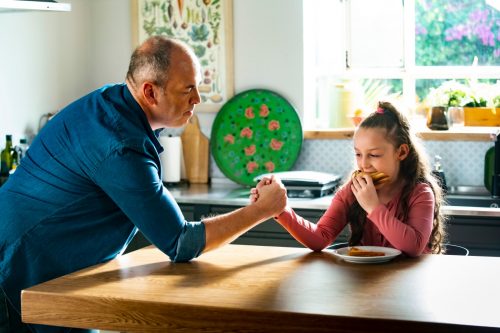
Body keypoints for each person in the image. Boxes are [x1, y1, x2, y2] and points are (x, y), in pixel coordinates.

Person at [0, 36, 286, 333]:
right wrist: (262, 210)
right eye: (188, 89)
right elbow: (180, 243)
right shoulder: (122, 145)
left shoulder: (109, 102)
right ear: (150, 92)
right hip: (14, 268)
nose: (197, 99)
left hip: (40, 264)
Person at [252, 101, 446, 257]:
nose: (364, 164)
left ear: (401, 152)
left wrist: (373, 207)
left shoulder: (420, 192)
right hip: (369, 284)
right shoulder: (352, 191)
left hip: (413, 284)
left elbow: (413, 247)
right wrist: (281, 210)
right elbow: (320, 238)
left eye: (374, 155)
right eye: (358, 154)